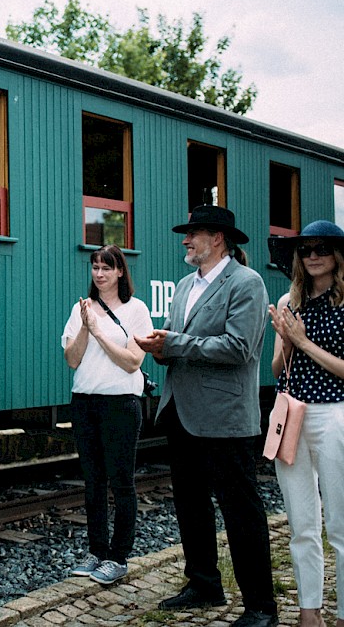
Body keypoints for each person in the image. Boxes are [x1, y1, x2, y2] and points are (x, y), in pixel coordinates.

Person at [134, 204, 277, 627]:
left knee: (241, 512)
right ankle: (203, 583)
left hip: (224, 416)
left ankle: (260, 607)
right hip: (181, 411)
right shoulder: (183, 286)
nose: (185, 240)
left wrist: (173, 342)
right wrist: (160, 348)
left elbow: (239, 349)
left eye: (192, 233)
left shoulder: (246, 283)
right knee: (190, 504)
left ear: (217, 239)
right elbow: (181, 345)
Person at [267, 220, 344, 627]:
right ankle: (309, 612)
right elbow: (279, 368)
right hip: (292, 414)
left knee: (341, 524)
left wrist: (304, 342)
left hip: (335, 414)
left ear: (337, 257)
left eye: (322, 249)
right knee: (301, 522)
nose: (313, 256)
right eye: (306, 250)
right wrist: (283, 338)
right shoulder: (288, 300)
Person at [62, 245, 152, 585]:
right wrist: (86, 325)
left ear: (119, 272)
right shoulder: (81, 308)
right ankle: (96, 550)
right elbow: (72, 359)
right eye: (95, 267)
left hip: (121, 403)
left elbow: (132, 361)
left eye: (106, 268)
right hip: (85, 400)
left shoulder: (136, 310)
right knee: (93, 482)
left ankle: (119, 556)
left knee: (121, 481)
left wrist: (100, 331)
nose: (99, 274)